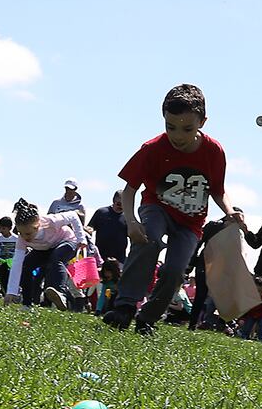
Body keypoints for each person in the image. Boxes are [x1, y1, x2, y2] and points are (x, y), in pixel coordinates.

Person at [103, 84, 246, 335]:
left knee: (175, 270)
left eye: (187, 128)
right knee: (150, 240)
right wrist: (132, 221)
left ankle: (147, 318)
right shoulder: (152, 149)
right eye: (171, 127)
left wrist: (229, 210)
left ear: (203, 122)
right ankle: (124, 307)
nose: (178, 135)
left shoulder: (214, 152)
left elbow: (217, 189)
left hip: (190, 222)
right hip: (156, 207)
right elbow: (129, 190)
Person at [6, 198, 86, 309]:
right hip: (46, 249)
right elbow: (17, 264)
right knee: (26, 265)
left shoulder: (50, 221)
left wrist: (81, 239)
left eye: (28, 234)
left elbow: (73, 216)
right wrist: (11, 291)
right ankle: (27, 304)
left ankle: (61, 293)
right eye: (21, 233)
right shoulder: (22, 239)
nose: (24, 237)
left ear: (38, 226)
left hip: (67, 241)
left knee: (56, 258)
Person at [88, 192, 129, 265]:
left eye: (124, 204)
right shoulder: (101, 212)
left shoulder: (128, 217)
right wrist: (88, 230)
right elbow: (91, 227)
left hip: (119, 259)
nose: (121, 207)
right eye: (119, 204)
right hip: (100, 257)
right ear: (114, 200)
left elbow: (132, 235)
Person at [238, 277, 262, 341]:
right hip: (251, 314)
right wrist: (242, 318)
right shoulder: (249, 296)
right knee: (248, 325)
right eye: (257, 291)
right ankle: (244, 335)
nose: (259, 293)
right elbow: (245, 309)